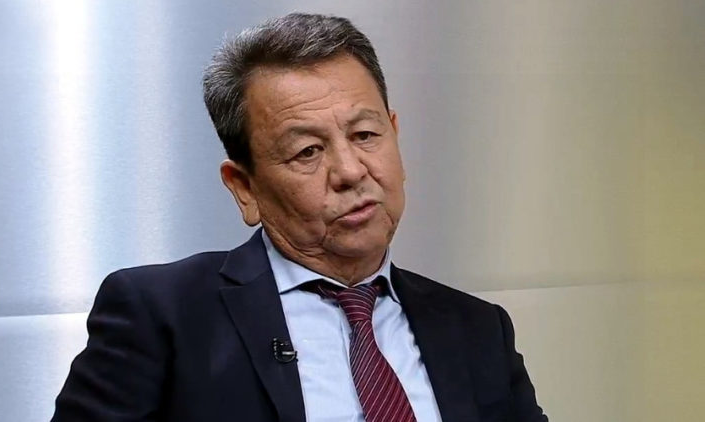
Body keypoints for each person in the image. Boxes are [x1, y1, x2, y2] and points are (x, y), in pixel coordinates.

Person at [52, 12, 548, 422]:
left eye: (366, 135)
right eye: (307, 151)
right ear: (245, 188)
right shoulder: (162, 316)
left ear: (395, 136)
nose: (351, 171)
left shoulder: (478, 329)